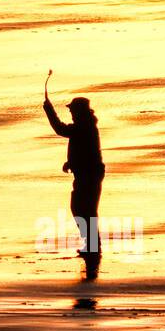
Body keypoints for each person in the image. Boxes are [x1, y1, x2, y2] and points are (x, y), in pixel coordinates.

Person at [44, 95, 106, 268]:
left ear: (79, 111)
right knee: (83, 209)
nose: (70, 112)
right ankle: (91, 246)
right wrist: (71, 162)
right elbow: (85, 150)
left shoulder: (84, 126)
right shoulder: (85, 125)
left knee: (83, 209)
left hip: (89, 174)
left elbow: (60, 129)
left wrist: (49, 110)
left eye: (72, 109)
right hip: (88, 173)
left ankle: (92, 247)